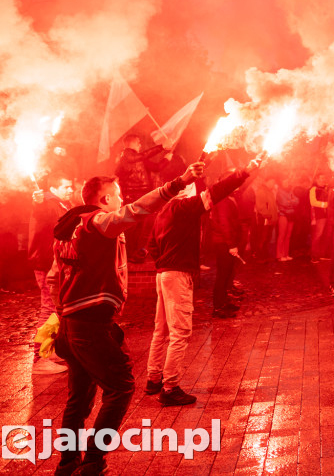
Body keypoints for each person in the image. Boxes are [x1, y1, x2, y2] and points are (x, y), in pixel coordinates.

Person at [48, 161, 203, 476]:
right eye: (116, 195)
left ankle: (67, 465)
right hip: (88, 325)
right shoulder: (96, 221)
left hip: (70, 324)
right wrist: (178, 183)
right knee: (121, 387)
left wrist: (64, 315)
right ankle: (92, 463)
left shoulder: (68, 228)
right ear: (104, 199)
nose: (120, 200)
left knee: (78, 399)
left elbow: (54, 279)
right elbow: (135, 211)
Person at [145, 160, 257, 406]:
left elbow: (151, 246)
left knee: (161, 329)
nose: (198, 190)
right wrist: (243, 172)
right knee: (180, 332)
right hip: (177, 275)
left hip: (163, 274)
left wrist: (165, 261)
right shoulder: (183, 207)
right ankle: (170, 387)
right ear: (185, 190)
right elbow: (216, 193)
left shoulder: (161, 212)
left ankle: (153, 378)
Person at [29, 177, 74, 375]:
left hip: (55, 263)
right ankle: (40, 357)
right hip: (47, 263)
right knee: (48, 308)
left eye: (71, 186)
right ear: (54, 188)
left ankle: (50, 350)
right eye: (65, 186)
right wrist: (37, 202)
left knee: (56, 308)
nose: (70, 189)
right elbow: (40, 212)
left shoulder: (61, 204)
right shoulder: (48, 203)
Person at [114, 134, 170, 263]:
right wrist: (161, 147)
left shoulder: (138, 158)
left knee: (140, 226)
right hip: (131, 196)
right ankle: (128, 253)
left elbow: (155, 168)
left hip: (140, 195)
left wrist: (166, 159)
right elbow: (141, 156)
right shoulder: (127, 155)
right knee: (132, 226)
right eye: (138, 142)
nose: (140, 145)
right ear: (131, 144)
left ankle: (133, 253)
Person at [205, 172, 246, 317]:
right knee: (223, 275)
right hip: (223, 243)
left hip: (225, 242)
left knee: (227, 273)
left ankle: (224, 302)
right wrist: (231, 245)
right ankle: (218, 307)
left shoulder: (226, 198)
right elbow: (225, 224)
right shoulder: (222, 201)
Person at [252, 177, 278, 261]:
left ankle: (264, 255)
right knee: (263, 237)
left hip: (269, 218)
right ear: (266, 181)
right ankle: (260, 256)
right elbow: (261, 206)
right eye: (272, 182)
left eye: (274, 182)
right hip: (264, 219)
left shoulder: (269, 191)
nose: (273, 184)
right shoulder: (262, 191)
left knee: (267, 238)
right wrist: (268, 215)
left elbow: (272, 205)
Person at [309, 174, 331, 263]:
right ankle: (314, 256)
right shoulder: (313, 189)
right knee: (317, 236)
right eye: (322, 178)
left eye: (324, 178)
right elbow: (313, 202)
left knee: (324, 235)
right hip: (319, 216)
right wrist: (326, 205)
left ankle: (321, 254)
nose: (324, 180)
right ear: (317, 179)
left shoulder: (325, 189)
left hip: (326, 215)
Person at [275, 177, 297, 261]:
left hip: (291, 214)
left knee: (288, 236)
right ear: (282, 183)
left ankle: (286, 254)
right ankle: (279, 255)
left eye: (287, 182)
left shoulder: (290, 191)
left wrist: (289, 201)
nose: (287, 183)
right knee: (282, 235)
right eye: (285, 182)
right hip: (283, 215)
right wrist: (291, 201)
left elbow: (297, 201)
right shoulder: (279, 192)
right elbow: (283, 202)